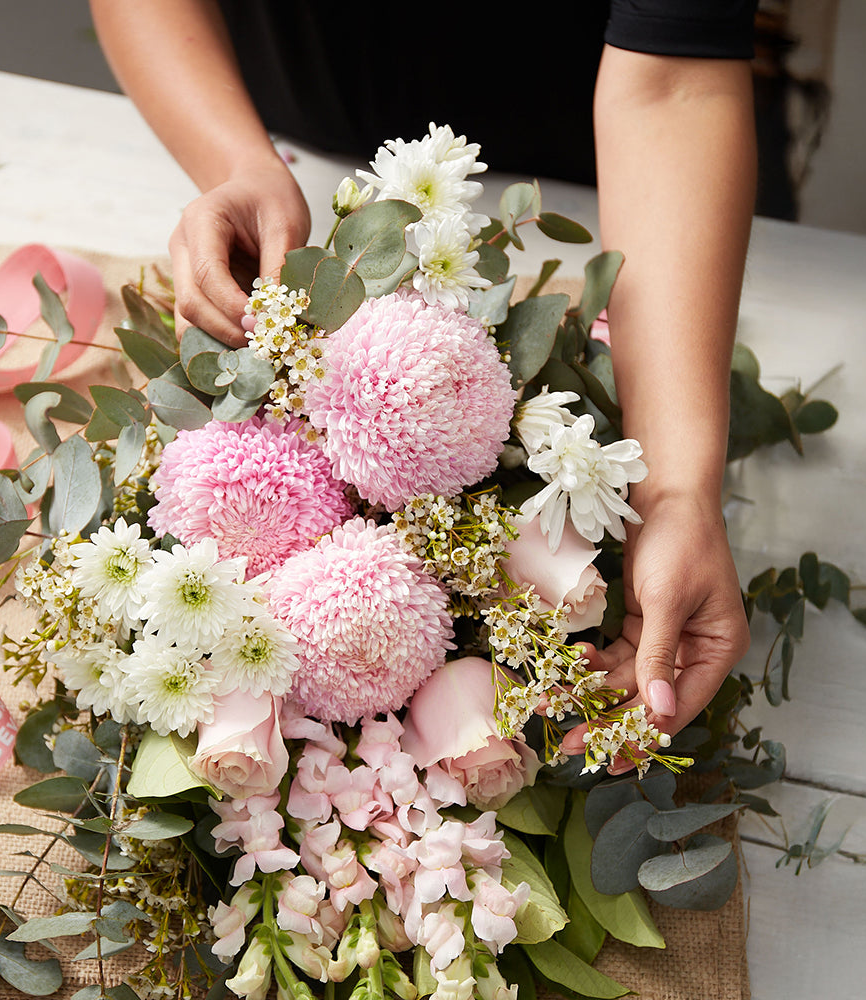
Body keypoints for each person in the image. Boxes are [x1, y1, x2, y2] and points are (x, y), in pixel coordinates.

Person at [88, 0, 756, 772]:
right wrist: (241, 164)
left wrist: (675, 491)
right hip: (268, 117)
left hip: (604, 171)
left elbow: (675, 82)